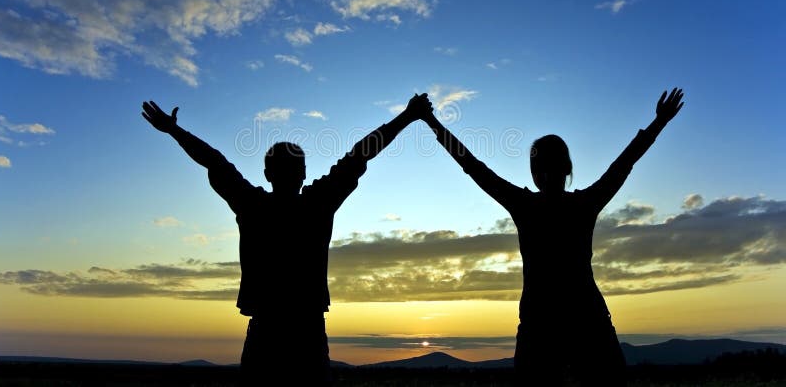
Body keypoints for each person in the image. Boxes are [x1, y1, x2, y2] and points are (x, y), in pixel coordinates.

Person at [141, 93, 432, 386]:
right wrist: (407, 116)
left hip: (267, 333)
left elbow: (215, 163)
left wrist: (175, 131)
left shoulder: (252, 205)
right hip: (306, 334)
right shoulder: (316, 203)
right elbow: (361, 154)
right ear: (303, 173)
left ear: (267, 174)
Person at [421, 89, 684, 386]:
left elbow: (472, 166)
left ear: (535, 172)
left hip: (542, 322)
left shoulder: (527, 205)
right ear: (568, 168)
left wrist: (431, 121)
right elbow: (624, 164)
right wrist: (658, 123)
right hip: (584, 319)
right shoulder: (583, 204)